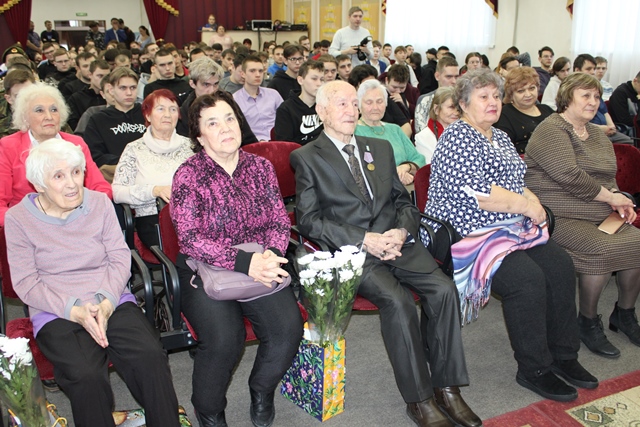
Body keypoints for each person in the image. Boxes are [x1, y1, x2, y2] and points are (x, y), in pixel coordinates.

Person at [290, 80, 481, 427]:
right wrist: (364, 239)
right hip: (355, 252)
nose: (352, 111)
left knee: (444, 291)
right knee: (398, 301)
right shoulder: (306, 157)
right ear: (322, 111)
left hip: (397, 242)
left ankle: (447, 388)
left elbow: (402, 201)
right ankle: (419, 400)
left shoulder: (378, 147)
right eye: (342, 104)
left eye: (354, 103)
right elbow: (309, 220)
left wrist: (402, 231)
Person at [422, 69, 597, 403]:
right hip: (468, 232)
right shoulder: (456, 136)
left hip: (509, 227)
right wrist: (527, 206)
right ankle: (534, 368)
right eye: (483, 97)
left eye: (496, 96)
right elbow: (479, 193)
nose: (493, 102)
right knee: (526, 280)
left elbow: (517, 181)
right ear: (464, 103)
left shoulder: (500, 136)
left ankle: (564, 355)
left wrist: (534, 202)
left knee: (560, 265)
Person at [4, 139, 180, 427]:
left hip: (111, 297)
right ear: (39, 184)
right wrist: (74, 310)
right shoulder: (18, 219)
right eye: (59, 176)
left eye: (76, 172)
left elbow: (119, 257)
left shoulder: (98, 202)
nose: (72, 184)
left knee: (151, 357)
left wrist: (106, 302)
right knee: (85, 375)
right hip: (56, 308)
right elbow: (26, 282)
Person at [171, 91, 303, 427]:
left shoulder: (260, 167)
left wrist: (272, 254)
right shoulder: (188, 174)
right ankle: (209, 410)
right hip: (204, 268)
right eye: (213, 123)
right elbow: (189, 238)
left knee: (288, 330)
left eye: (230, 118)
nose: (226, 127)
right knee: (225, 340)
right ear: (199, 136)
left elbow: (278, 220)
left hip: (260, 260)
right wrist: (246, 263)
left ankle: (262, 389)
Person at [525, 72, 640, 358]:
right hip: (559, 215)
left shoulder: (597, 135)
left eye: (596, 96)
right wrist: (612, 197)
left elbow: (609, 176)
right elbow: (569, 175)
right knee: (601, 248)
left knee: (637, 242)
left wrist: (620, 200)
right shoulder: (551, 129)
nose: (593, 102)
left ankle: (624, 313)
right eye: (585, 95)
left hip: (601, 212)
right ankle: (587, 321)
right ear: (567, 98)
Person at [0, 83, 111, 226]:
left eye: (54, 110)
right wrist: (24, 223)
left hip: (77, 219)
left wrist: (83, 214)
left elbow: (101, 188)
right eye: (39, 110)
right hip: (28, 224)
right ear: (25, 117)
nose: (49, 116)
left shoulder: (76, 143)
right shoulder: (8, 146)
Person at [112, 89, 193, 247]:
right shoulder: (134, 149)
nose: (167, 115)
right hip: (153, 219)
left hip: (193, 216)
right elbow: (118, 192)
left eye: (173, 109)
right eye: (161, 109)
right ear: (148, 115)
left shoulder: (192, 146)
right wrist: (154, 190)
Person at [354, 79, 425, 184]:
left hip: (405, 187)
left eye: (380, 101)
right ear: (359, 105)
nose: (375, 107)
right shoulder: (354, 132)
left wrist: (406, 167)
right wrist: (396, 175)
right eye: (369, 102)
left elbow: (419, 159)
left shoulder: (395, 129)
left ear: (386, 104)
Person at [84, 67, 146, 182]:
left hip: (148, 173)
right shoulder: (98, 119)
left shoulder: (149, 114)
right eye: (123, 88)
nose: (129, 93)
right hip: (113, 176)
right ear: (111, 90)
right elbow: (95, 154)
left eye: (133, 88)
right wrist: (127, 162)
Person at [495, 67, 554, 154]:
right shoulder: (504, 115)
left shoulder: (547, 110)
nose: (528, 94)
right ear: (511, 94)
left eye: (532, 88)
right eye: (521, 91)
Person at [233, 55, 283, 141]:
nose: (258, 75)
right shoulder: (235, 100)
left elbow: (285, 119)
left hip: (277, 141)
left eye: (260, 71)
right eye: (252, 71)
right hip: (251, 143)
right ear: (243, 74)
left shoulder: (273, 94)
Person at [274, 59, 324, 144]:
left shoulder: (326, 106)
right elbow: (285, 145)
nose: (319, 83)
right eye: (314, 79)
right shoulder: (286, 109)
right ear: (300, 80)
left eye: (322, 79)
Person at [414, 86, 459, 163]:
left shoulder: (466, 133)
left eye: (459, 108)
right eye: (451, 107)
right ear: (436, 109)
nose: (456, 112)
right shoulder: (422, 138)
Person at [415, 56, 459, 133]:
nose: (454, 81)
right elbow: (420, 130)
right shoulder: (425, 100)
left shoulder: (464, 100)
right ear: (437, 76)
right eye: (449, 77)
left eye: (456, 77)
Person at [67, 59, 110, 130]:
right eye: (100, 76)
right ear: (90, 75)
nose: (104, 80)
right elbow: (73, 124)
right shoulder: (76, 98)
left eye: (107, 76)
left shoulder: (113, 97)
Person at [0, 69, 35, 138]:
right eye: (19, 96)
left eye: (30, 93)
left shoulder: (49, 112)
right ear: (9, 99)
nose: (25, 99)